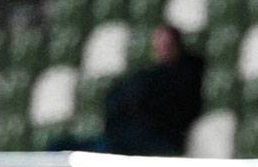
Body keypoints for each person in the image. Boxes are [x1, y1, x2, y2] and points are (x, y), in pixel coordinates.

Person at [54, 24, 204, 156]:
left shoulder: (186, 73)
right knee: (60, 146)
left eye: (167, 44)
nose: (162, 48)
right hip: (129, 138)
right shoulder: (149, 75)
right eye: (159, 43)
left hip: (155, 141)